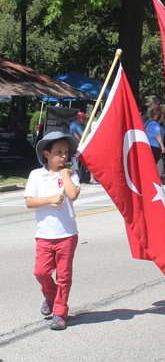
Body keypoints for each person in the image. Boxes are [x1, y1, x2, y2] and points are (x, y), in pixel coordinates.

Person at [24, 131, 81, 330]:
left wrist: (65, 173)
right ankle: (51, 296)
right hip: (44, 235)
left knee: (64, 276)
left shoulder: (71, 175)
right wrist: (50, 199)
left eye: (66, 152)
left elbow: (72, 195)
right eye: (59, 151)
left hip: (67, 234)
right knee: (40, 272)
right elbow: (30, 202)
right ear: (47, 154)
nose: (64, 155)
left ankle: (59, 311)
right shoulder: (36, 175)